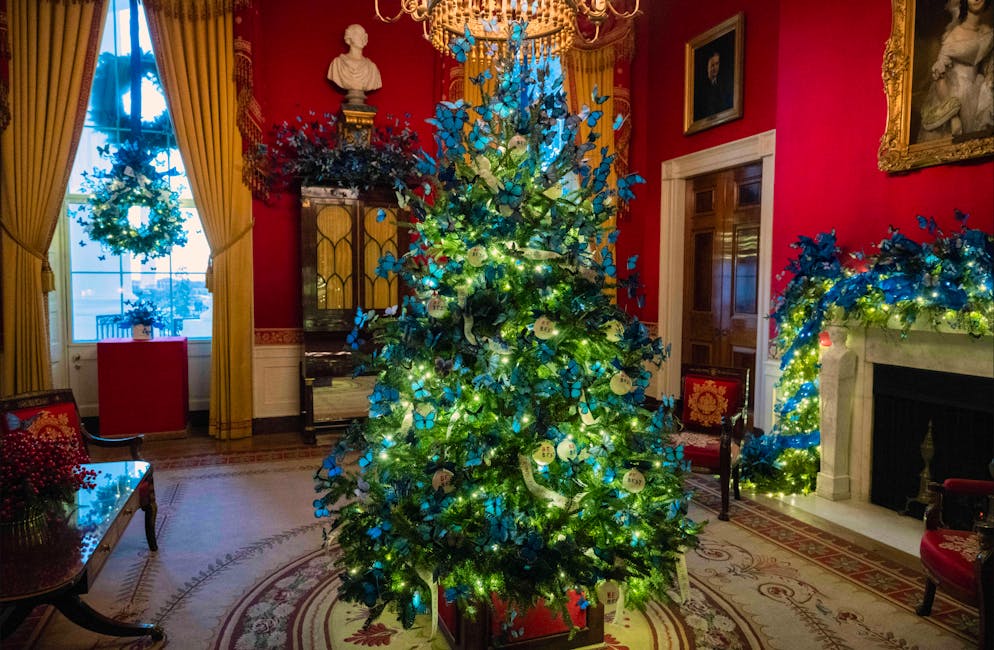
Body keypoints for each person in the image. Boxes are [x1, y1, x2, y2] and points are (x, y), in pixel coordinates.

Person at [917, 0, 993, 142]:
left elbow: (988, 69)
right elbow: (939, 76)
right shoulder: (954, 35)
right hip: (953, 95)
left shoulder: (988, 34)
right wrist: (953, 116)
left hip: (978, 99)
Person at [328, 24, 382, 105]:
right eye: (357, 34)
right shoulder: (338, 64)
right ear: (349, 38)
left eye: (363, 34)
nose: (362, 37)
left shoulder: (372, 68)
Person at [694, 50, 733, 120]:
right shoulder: (700, 88)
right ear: (707, 66)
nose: (715, 68)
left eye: (717, 64)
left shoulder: (724, 84)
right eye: (712, 65)